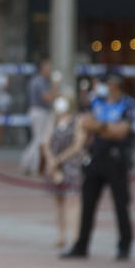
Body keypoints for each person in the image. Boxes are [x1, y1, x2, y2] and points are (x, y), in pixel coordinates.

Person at [62, 72, 135, 260]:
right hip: (96, 157)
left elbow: (122, 132)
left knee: (121, 204)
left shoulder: (127, 104)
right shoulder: (97, 102)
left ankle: (124, 246)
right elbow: (85, 123)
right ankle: (81, 245)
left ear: (115, 84)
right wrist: (107, 127)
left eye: (106, 82)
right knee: (87, 203)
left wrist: (100, 127)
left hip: (117, 159)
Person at [40, 95, 86, 250]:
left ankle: (75, 236)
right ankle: (61, 235)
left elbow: (77, 145)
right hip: (55, 165)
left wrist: (59, 159)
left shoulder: (77, 120)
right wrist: (51, 161)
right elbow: (45, 142)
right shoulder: (53, 120)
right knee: (58, 200)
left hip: (71, 164)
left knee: (73, 199)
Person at [18, 58, 56, 175]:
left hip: (39, 112)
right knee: (39, 140)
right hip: (39, 112)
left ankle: (29, 165)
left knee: (38, 139)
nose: (50, 71)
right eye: (48, 68)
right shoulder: (39, 81)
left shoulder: (41, 81)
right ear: (42, 69)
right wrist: (56, 89)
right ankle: (31, 165)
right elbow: (46, 98)